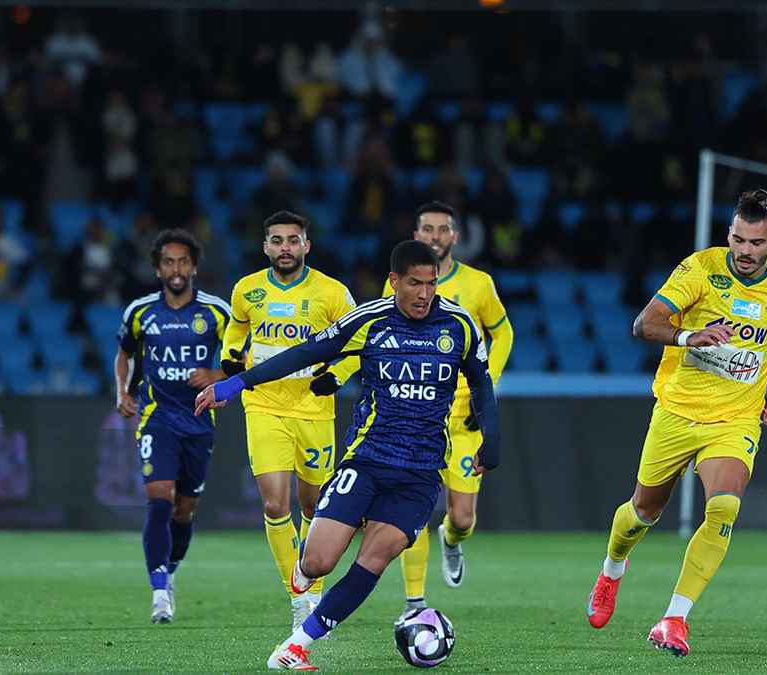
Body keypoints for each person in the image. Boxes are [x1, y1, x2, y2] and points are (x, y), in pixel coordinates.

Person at [195, 240, 502, 671]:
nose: (424, 294)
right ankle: (303, 572)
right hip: (367, 460)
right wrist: (236, 384)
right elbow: (305, 353)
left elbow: (481, 381)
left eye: (431, 284)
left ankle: (296, 645)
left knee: (374, 558)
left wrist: (493, 436)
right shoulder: (370, 320)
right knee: (317, 562)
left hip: (420, 473)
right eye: (415, 284)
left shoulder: (460, 325)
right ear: (394, 281)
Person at [585, 190, 767, 657]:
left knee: (724, 507)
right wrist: (691, 336)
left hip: (735, 417)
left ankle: (673, 619)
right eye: (737, 239)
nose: (745, 251)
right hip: (677, 410)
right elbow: (644, 324)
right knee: (643, 513)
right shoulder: (701, 269)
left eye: (755, 242)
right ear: (728, 235)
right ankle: (611, 570)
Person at [319, 201, 514, 619]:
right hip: (409, 421)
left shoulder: (478, 285)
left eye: (442, 230)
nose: (435, 236)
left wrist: (488, 383)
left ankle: (454, 540)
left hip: (462, 417)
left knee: (462, 516)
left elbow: (504, 332)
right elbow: (370, 347)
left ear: (454, 237)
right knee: (411, 512)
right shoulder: (403, 290)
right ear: (416, 233)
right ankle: (415, 600)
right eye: (427, 229)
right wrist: (337, 375)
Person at [219, 210, 356, 630]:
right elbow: (237, 328)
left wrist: (337, 376)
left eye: (292, 240)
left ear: (306, 246)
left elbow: (360, 340)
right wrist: (229, 357)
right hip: (263, 406)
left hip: (313, 411)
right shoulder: (247, 289)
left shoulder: (332, 293)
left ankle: (313, 583)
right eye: (276, 240)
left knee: (313, 505)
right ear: (265, 247)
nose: (285, 248)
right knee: (275, 502)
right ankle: (300, 597)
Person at [115, 229, 230, 624]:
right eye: (168, 261)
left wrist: (216, 373)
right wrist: (122, 392)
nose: (176, 268)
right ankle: (159, 591)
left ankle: (171, 569)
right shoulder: (140, 312)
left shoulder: (217, 312)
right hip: (156, 416)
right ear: (158, 268)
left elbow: (244, 355)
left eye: (183, 261)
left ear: (194, 266)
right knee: (159, 497)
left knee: (185, 509)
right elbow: (125, 354)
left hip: (199, 419)